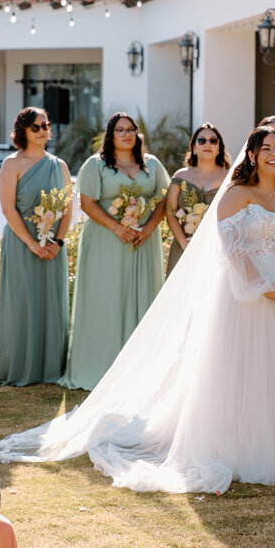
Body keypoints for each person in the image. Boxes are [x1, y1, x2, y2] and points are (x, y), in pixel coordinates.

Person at [0, 127, 275, 494]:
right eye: (265, 147)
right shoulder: (236, 195)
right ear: (251, 155)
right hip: (249, 299)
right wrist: (265, 288)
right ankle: (247, 443)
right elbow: (232, 251)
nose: (273, 153)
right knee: (251, 369)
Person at [59, 112, 169, 390]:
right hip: (106, 240)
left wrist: (148, 228)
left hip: (143, 241)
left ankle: (141, 369)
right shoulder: (96, 165)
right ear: (110, 135)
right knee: (105, 299)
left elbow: (164, 201)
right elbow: (87, 203)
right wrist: (117, 228)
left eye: (131, 129)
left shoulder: (152, 165)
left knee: (144, 297)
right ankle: (100, 365)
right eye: (120, 130)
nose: (126, 134)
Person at [0, 107, 72, 386]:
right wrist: (31, 244)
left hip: (53, 247)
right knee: (22, 302)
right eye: (37, 127)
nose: (43, 131)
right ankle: (19, 366)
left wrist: (58, 242)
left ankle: (51, 367)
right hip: (20, 244)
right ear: (23, 130)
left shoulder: (60, 166)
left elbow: (67, 210)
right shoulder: (11, 164)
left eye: (46, 126)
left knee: (51, 302)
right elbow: (8, 209)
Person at [165, 123, 230, 277]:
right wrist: (184, 244)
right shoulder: (180, 176)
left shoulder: (230, 176)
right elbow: (170, 213)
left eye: (213, 141)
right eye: (202, 141)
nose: (208, 144)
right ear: (194, 147)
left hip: (217, 249)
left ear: (219, 147)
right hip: (184, 247)